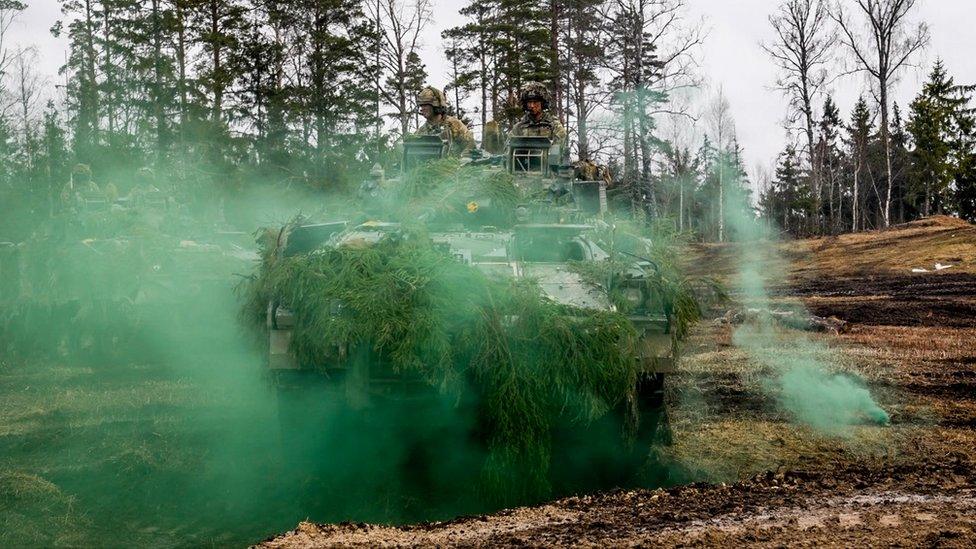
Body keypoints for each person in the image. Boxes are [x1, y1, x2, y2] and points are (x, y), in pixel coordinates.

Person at [415, 86, 475, 155]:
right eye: (421, 106)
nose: (422, 109)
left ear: (436, 105)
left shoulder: (454, 125)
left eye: (425, 105)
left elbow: (470, 147)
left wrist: (460, 162)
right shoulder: (420, 133)